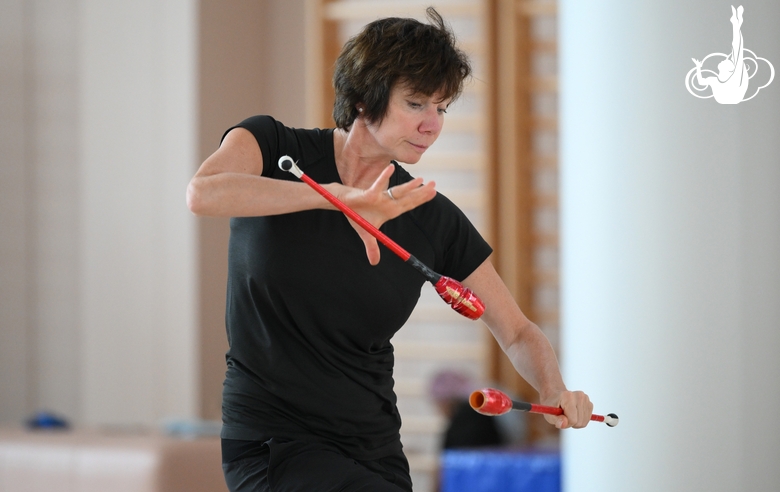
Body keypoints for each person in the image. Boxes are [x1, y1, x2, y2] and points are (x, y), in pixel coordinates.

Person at [187, 7, 593, 492]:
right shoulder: (273, 147)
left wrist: (555, 389)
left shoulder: (429, 215)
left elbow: (518, 331)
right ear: (364, 97)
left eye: (441, 108)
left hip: (371, 445)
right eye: (416, 103)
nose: (433, 125)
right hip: (274, 440)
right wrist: (338, 198)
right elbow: (203, 193)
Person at [692, 5, 748, 104]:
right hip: (730, 97)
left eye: (727, 61)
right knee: (737, 51)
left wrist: (698, 67)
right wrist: (698, 67)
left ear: (729, 69)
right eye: (728, 61)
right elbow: (701, 82)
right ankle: (736, 23)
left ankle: (736, 23)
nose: (725, 59)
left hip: (733, 96)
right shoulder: (715, 80)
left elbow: (737, 49)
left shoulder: (733, 78)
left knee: (737, 51)